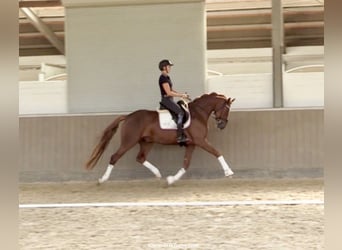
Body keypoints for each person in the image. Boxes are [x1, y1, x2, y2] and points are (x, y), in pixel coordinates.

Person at [158, 59, 189, 145]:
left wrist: (182, 94)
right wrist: (181, 95)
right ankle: (180, 136)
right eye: (169, 66)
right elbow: (168, 93)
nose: (170, 68)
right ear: (164, 67)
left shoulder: (167, 77)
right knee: (180, 113)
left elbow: (171, 90)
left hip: (170, 99)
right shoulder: (163, 78)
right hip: (166, 100)